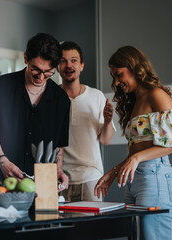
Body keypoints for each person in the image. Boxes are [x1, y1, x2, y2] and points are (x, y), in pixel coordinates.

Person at [94, 46, 172, 239]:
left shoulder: (156, 95)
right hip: (135, 181)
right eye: (113, 76)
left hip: (155, 178)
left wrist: (136, 158)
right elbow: (136, 153)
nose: (116, 82)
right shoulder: (136, 101)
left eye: (119, 74)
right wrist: (113, 173)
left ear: (134, 67)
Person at [0, 33, 70, 196]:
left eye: (48, 72)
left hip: (40, 185)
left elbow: (58, 144)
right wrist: (3, 162)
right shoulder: (0, 87)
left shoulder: (61, 100)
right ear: (26, 58)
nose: (41, 77)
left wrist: (59, 170)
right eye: (36, 70)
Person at [58, 41, 115, 202]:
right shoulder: (52, 97)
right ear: (57, 66)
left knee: (93, 227)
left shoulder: (96, 96)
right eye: (63, 61)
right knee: (62, 226)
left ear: (82, 65)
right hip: (60, 177)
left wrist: (108, 121)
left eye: (74, 60)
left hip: (91, 177)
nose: (69, 65)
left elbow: (105, 140)